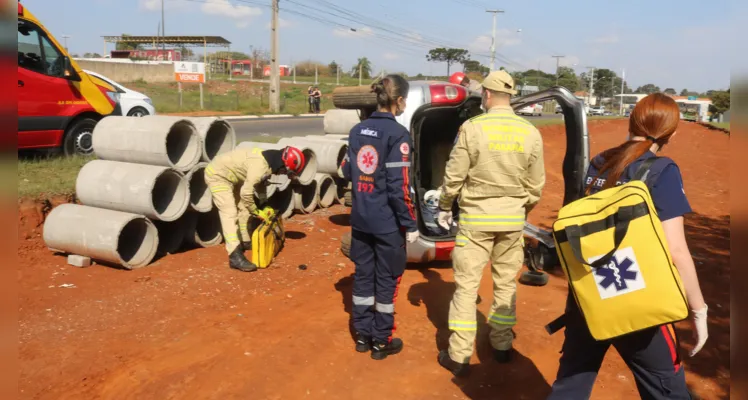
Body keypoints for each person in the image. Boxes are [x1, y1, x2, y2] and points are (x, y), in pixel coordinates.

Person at [547, 93, 709, 400]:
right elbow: (676, 251)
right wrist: (698, 310)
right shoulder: (663, 170)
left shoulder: (598, 163)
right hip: (638, 299)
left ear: (631, 122)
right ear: (671, 133)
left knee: (571, 385)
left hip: (589, 294)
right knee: (667, 389)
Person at [436, 70, 545, 376]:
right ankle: (502, 346)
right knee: (505, 285)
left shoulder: (471, 128)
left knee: (467, 288)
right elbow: (536, 186)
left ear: (486, 94)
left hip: (475, 221)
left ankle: (459, 356)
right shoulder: (530, 132)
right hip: (511, 221)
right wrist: (520, 211)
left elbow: (454, 175)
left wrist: (445, 206)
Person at [339, 74, 419, 360]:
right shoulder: (399, 136)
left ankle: (362, 335)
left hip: (360, 219)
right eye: (404, 100)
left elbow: (346, 171)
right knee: (386, 281)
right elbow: (400, 187)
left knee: (363, 277)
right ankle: (381, 341)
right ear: (399, 101)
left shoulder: (357, 130)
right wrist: (410, 224)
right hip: (387, 225)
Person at [205, 146, 306, 272]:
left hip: (233, 176)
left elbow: (260, 183)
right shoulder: (260, 166)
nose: (283, 174)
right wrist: (257, 212)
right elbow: (246, 193)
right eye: (286, 172)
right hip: (217, 175)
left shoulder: (268, 162)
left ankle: (245, 241)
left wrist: (264, 204)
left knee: (244, 207)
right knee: (229, 212)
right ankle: (234, 255)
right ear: (283, 164)